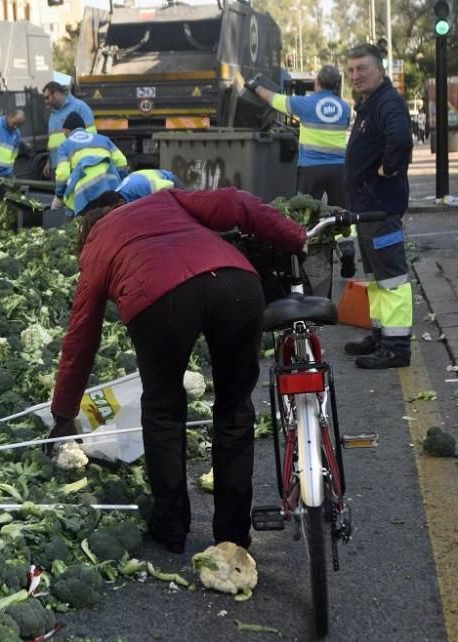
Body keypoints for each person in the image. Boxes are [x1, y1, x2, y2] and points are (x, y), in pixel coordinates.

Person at [47, 187, 307, 553]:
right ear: (118, 206)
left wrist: (64, 413)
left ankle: (171, 528)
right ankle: (233, 534)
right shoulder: (163, 200)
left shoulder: (95, 245)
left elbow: (81, 336)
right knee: (234, 410)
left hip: (158, 299)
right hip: (235, 282)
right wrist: (295, 238)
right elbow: (234, 203)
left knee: (163, 410)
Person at [342, 43, 414, 370]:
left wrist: (388, 168)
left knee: (392, 280)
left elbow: (400, 138)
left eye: (362, 68)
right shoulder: (371, 104)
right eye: (352, 69)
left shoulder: (388, 103)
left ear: (380, 70)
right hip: (368, 212)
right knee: (377, 279)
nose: (355, 75)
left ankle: (396, 348)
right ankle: (381, 336)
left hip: (381, 211)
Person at [247, 66, 356, 275]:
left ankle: (302, 257)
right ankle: (347, 249)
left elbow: (274, 99)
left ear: (317, 82)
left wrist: (254, 86)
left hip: (310, 169)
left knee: (303, 212)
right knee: (342, 211)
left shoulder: (305, 104)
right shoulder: (344, 108)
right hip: (338, 168)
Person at [53, 112, 128, 216]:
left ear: (67, 130)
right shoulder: (103, 139)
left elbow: (62, 175)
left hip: (85, 194)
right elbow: (121, 161)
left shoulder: (65, 145)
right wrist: (122, 184)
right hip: (110, 186)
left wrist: (59, 196)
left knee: (88, 227)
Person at [43, 81, 96, 178]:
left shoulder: (80, 107)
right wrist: (49, 162)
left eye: (47, 98)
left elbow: (91, 137)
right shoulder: (53, 113)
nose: (46, 101)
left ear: (56, 93)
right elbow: (53, 142)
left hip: (74, 167)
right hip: (57, 167)